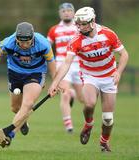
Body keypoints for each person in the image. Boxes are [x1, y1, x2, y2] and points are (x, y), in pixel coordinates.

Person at [48, 7, 129, 152]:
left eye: (82, 23)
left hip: (109, 77)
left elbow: (124, 54)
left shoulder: (108, 34)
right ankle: (88, 124)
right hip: (90, 76)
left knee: (108, 118)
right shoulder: (76, 40)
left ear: (92, 22)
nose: (79, 26)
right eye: (77, 23)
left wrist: (119, 72)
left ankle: (104, 142)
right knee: (89, 104)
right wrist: (55, 83)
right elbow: (66, 63)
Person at [0, 22, 56, 148]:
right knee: (15, 108)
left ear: (32, 38)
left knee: (27, 104)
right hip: (15, 73)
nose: (24, 45)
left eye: (27, 42)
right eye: (21, 42)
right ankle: (23, 121)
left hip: (35, 73)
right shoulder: (8, 43)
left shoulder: (43, 44)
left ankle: (9, 135)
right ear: (16, 38)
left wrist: (55, 83)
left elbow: (51, 62)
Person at [47, 2, 83, 133]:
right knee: (65, 94)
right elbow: (46, 47)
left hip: (79, 64)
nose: (66, 12)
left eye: (69, 10)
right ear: (60, 13)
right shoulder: (54, 30)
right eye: (63, 11)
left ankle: (73, 93)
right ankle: (69, 126)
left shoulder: (80, 27)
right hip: (62, 64)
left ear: (73, 13)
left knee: (83, 98)